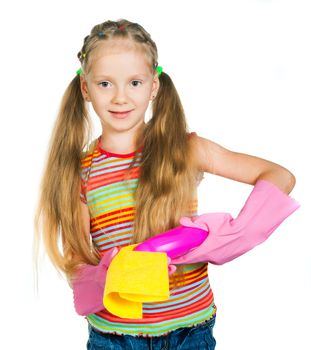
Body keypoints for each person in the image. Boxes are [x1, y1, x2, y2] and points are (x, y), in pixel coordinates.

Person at [34, 19, 299, 350]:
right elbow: (76, 258)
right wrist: (111, 275)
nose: (119, 97)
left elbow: (280, 177)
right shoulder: (81, 172)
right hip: (115, 337)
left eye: (134, 82)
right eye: (105, 83)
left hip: (190, 329)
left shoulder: (185, 150)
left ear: (154, 86)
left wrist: (225, 237)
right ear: (85, 89)